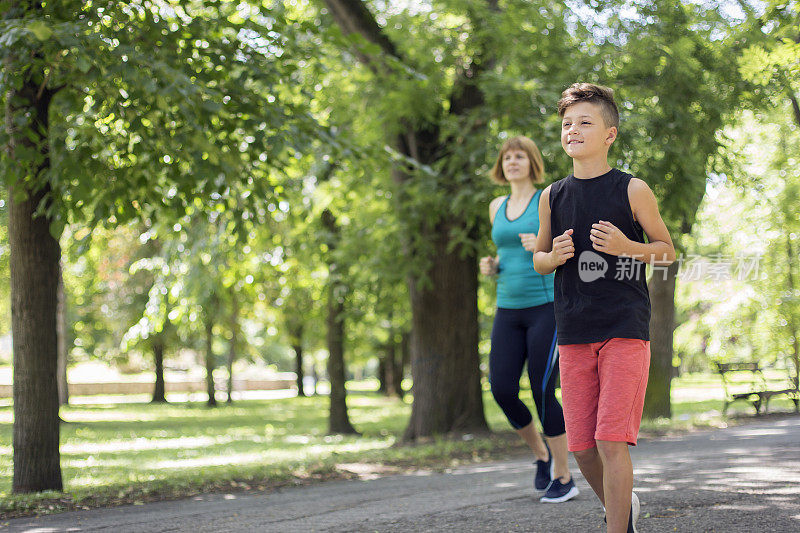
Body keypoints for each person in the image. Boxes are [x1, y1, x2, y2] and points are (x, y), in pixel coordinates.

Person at [533, 83, 676, 532]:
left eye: (584, 122)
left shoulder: (632, 189)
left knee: (611, 439)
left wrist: (627, 245)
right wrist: (552, 257)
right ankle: (622, 510)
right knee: (581, 447)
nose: (573, 130)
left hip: (624, 329)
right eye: (567, 124)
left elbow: (667, 250)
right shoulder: (551, 196)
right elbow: (538, 259)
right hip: (573, 330)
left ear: (609, 134)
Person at [480, 135, 579, 503]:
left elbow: (568, 245)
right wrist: (492, 266)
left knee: (541, 389)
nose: (513, 162)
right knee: (502, 389)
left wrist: (543, 244)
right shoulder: (496, 206)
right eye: (507, 157)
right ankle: (541, 454)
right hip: (507, 308)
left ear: (531, 161)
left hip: (546, 306)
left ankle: (564, 475)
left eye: (520, 156)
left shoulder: (547, 198)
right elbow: (501, 250)